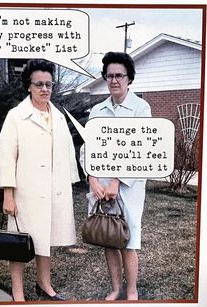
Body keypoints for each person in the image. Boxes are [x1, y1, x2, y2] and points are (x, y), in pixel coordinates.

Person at [0, 59, 79, 302]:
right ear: (29, 86)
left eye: (49, 84)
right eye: (39, 84)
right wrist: (8, 194)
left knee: (47, 238)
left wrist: (69, 184)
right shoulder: (16, 116)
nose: (45, 89)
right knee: (19, 243)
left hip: (53, 191)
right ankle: (18, 291)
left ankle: (44, 285)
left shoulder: (59, 117)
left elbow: (66, 154)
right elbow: (6, 157)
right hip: (25, 193)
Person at [81, 52, 151, 301]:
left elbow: (143, 149)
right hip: (100, 184)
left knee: (128, 239)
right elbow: (87, 148)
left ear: (129, 78)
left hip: (128, 186)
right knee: (109, 237)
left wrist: (117, 182)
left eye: (119, 75)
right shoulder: (97, 109)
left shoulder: (141, 108)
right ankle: (114, 289)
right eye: (109, 75)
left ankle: (131, 290)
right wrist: (92, 179)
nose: (114, 80)